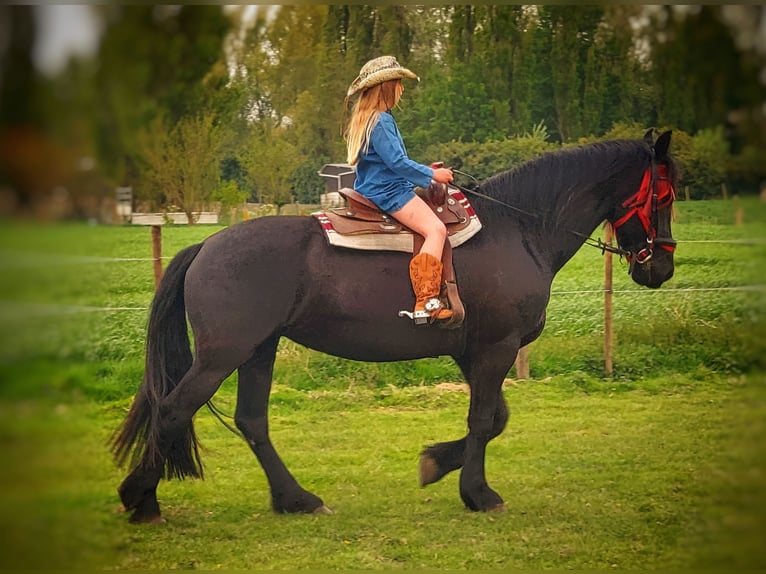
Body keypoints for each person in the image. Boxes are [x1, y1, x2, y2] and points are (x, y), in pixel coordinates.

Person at [344, 56, 454, 323]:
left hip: (373, 187)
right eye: (399, 83)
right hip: (390, 192)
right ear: (387, 87)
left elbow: (390, 162)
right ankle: (426, 303)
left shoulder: (366, 119)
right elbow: (396, 162)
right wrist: (432, 175)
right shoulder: (380, 121)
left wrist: (421, 173)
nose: (402, 90)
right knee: (436, 230)